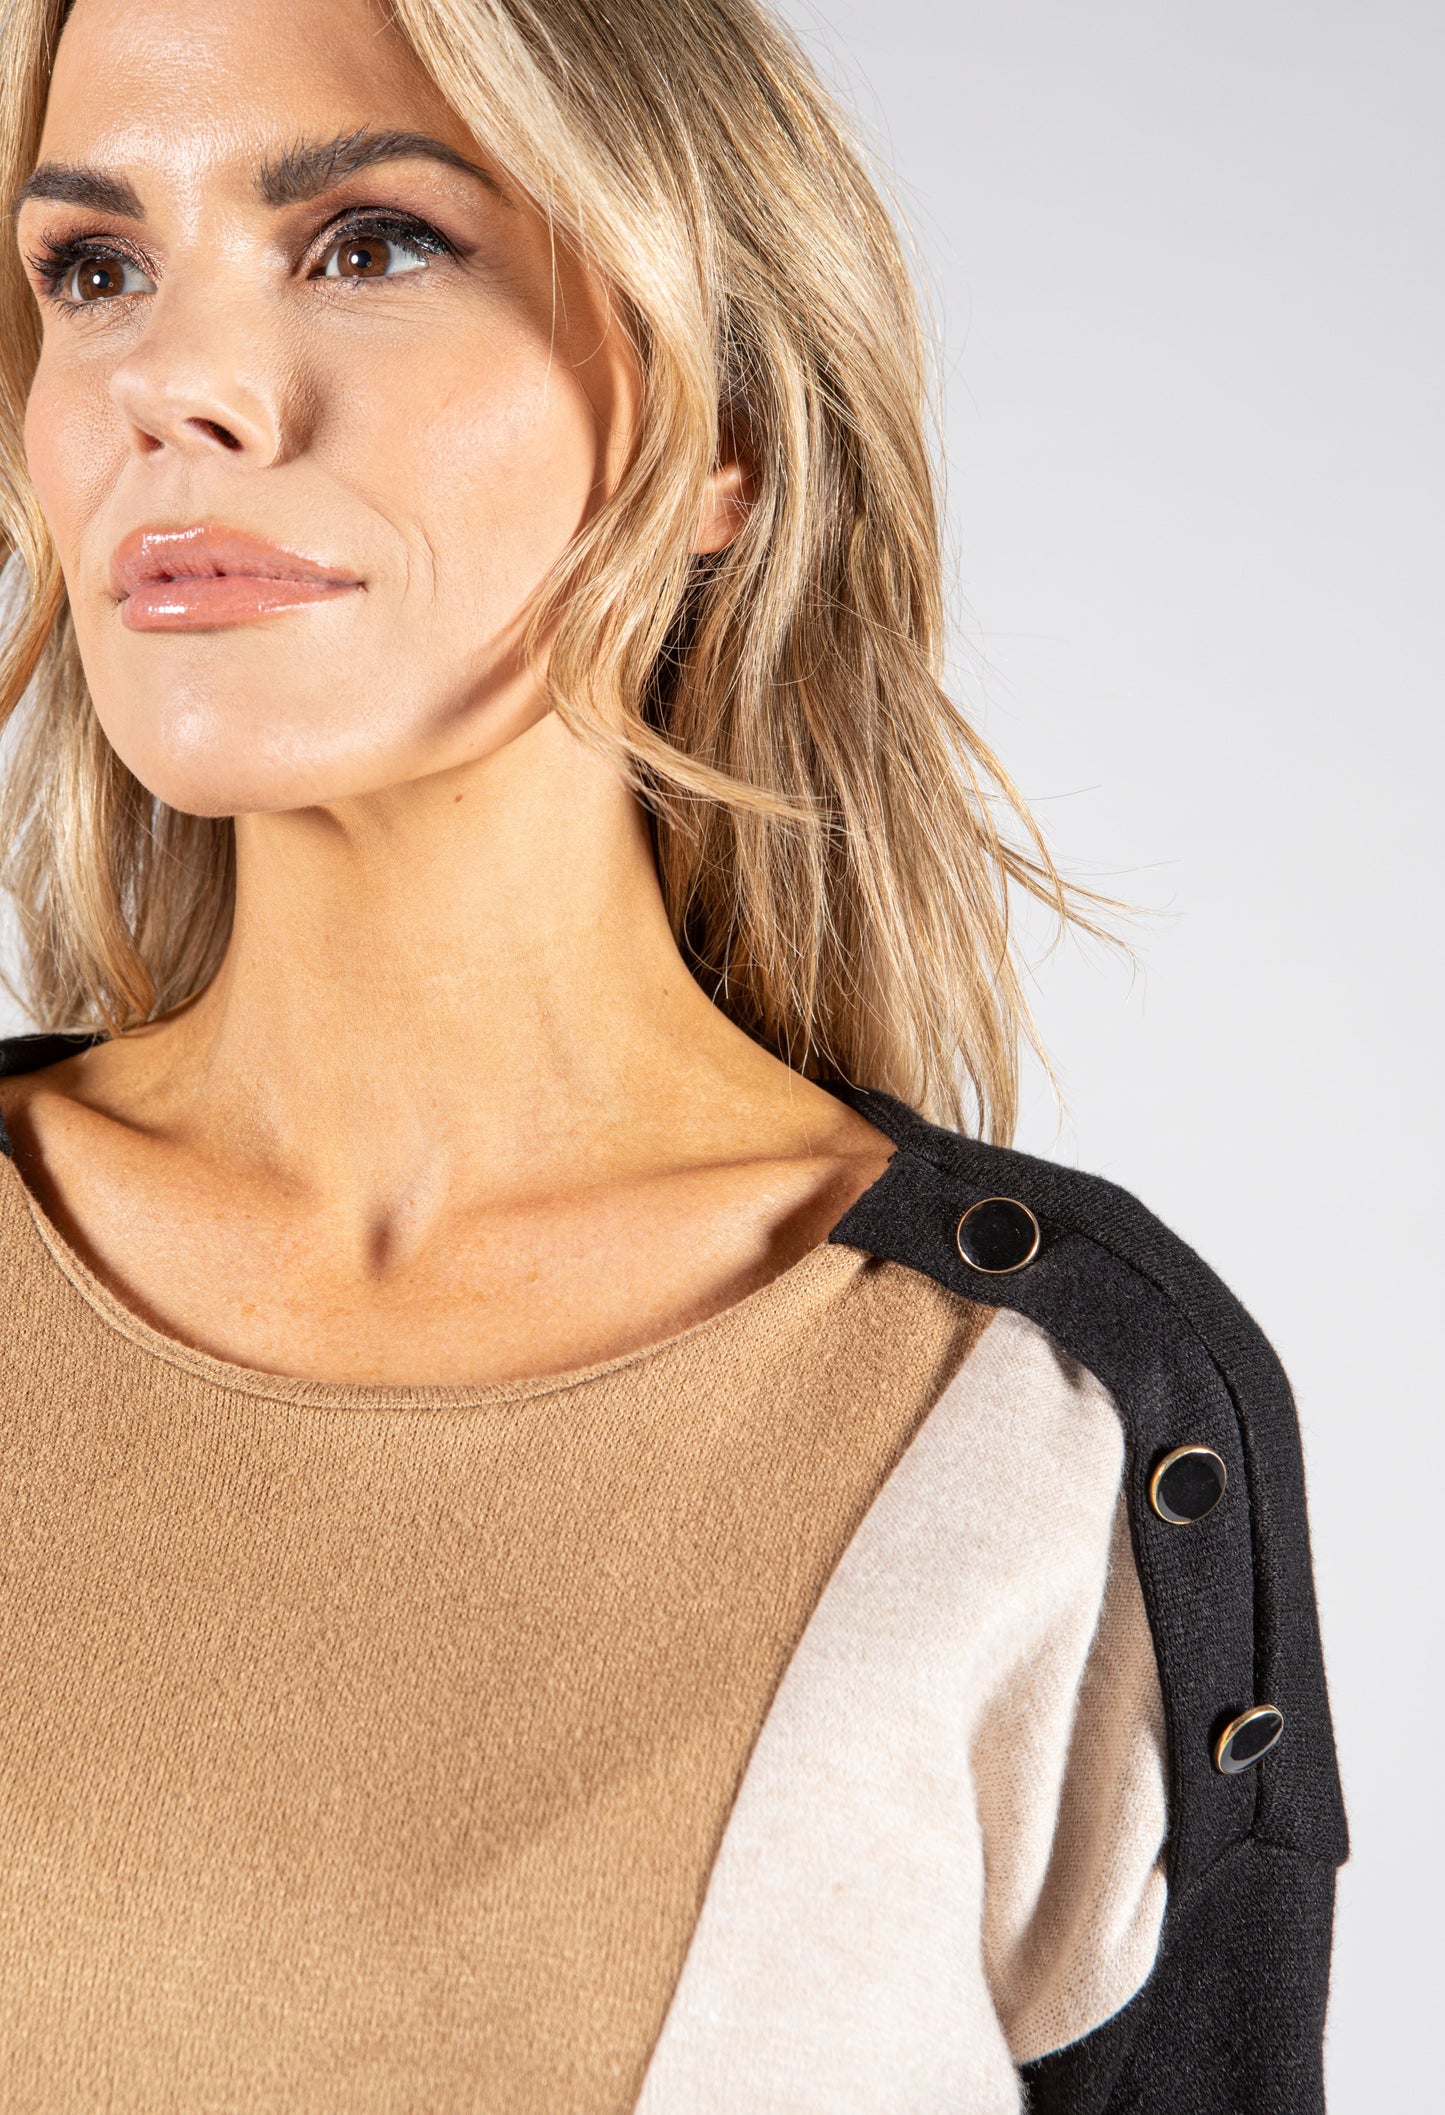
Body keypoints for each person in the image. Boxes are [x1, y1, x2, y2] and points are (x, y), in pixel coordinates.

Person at [0, 0, 1345, 2109]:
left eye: (369, 243)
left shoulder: (1058, 1403)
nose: (171, 380)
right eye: (94, 268)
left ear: (717, 430)